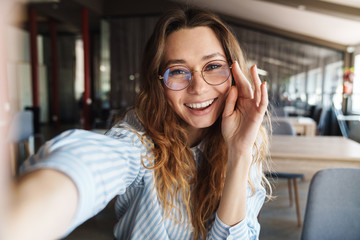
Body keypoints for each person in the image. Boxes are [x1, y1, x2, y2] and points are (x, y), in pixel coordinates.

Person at [8, 7, 269, 240]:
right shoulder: (139, 139)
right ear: (158, 82)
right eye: (178, 71)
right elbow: (94, 162)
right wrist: (21, 215)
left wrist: (239, 152)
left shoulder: (247, 141)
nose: (198, 88)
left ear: (235, 75)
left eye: (213, 66)